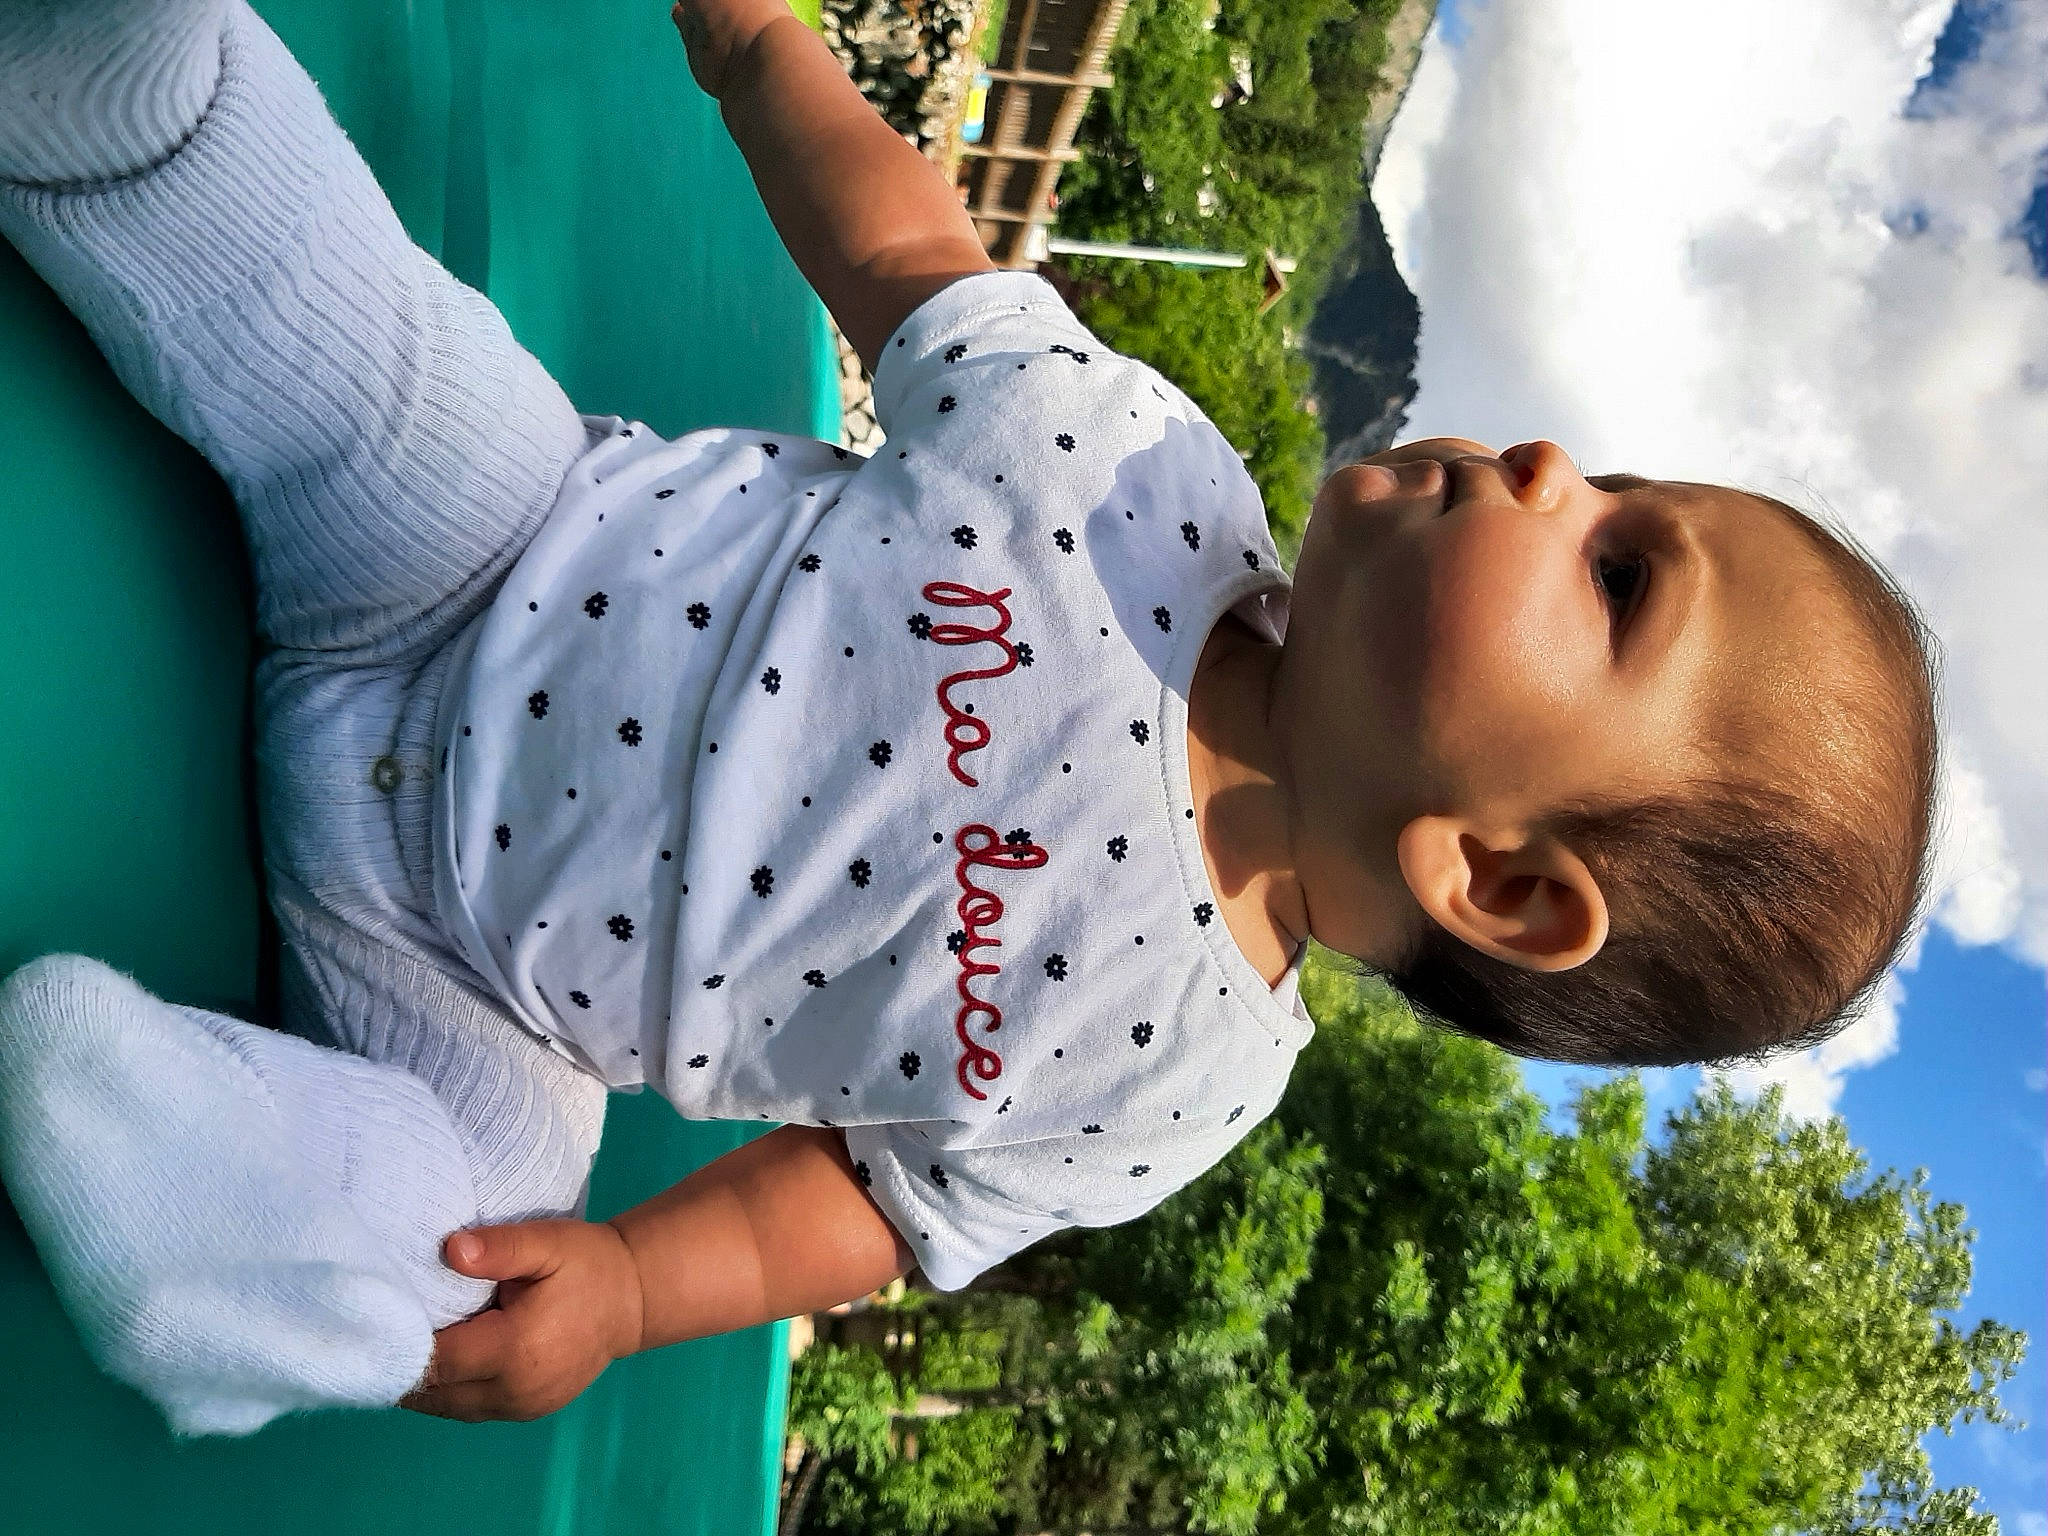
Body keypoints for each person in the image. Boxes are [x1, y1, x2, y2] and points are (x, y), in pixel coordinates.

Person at [0, 0, 1937, 1438]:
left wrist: (634, 1288)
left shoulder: (1180, 1085)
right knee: (357, 330)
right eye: (1615, 482)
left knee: (476, 1237)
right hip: (471, 544)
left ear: (1503, 884)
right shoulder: (1138, 474)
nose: (1545, 461)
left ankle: (198, 1202)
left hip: (467, 977)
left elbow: (864, 1199)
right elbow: (917, 263)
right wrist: (763, 46)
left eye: (1614, 574)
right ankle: (128, 115)